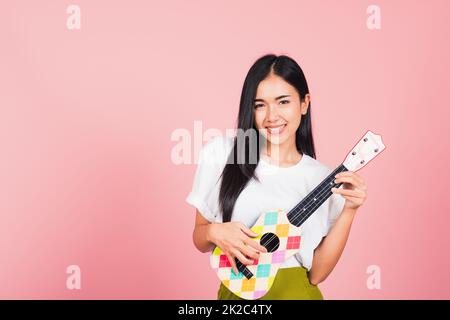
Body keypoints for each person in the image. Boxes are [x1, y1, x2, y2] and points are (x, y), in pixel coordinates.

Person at [186, 54, 367, 299]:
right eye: (260, 104)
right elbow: (200, 238)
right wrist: (214, 232)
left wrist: (350, 210)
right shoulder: (221, 154)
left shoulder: (323, 179)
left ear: (304, 104)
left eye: (283, 102)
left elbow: (317, 274)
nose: (272, 116)